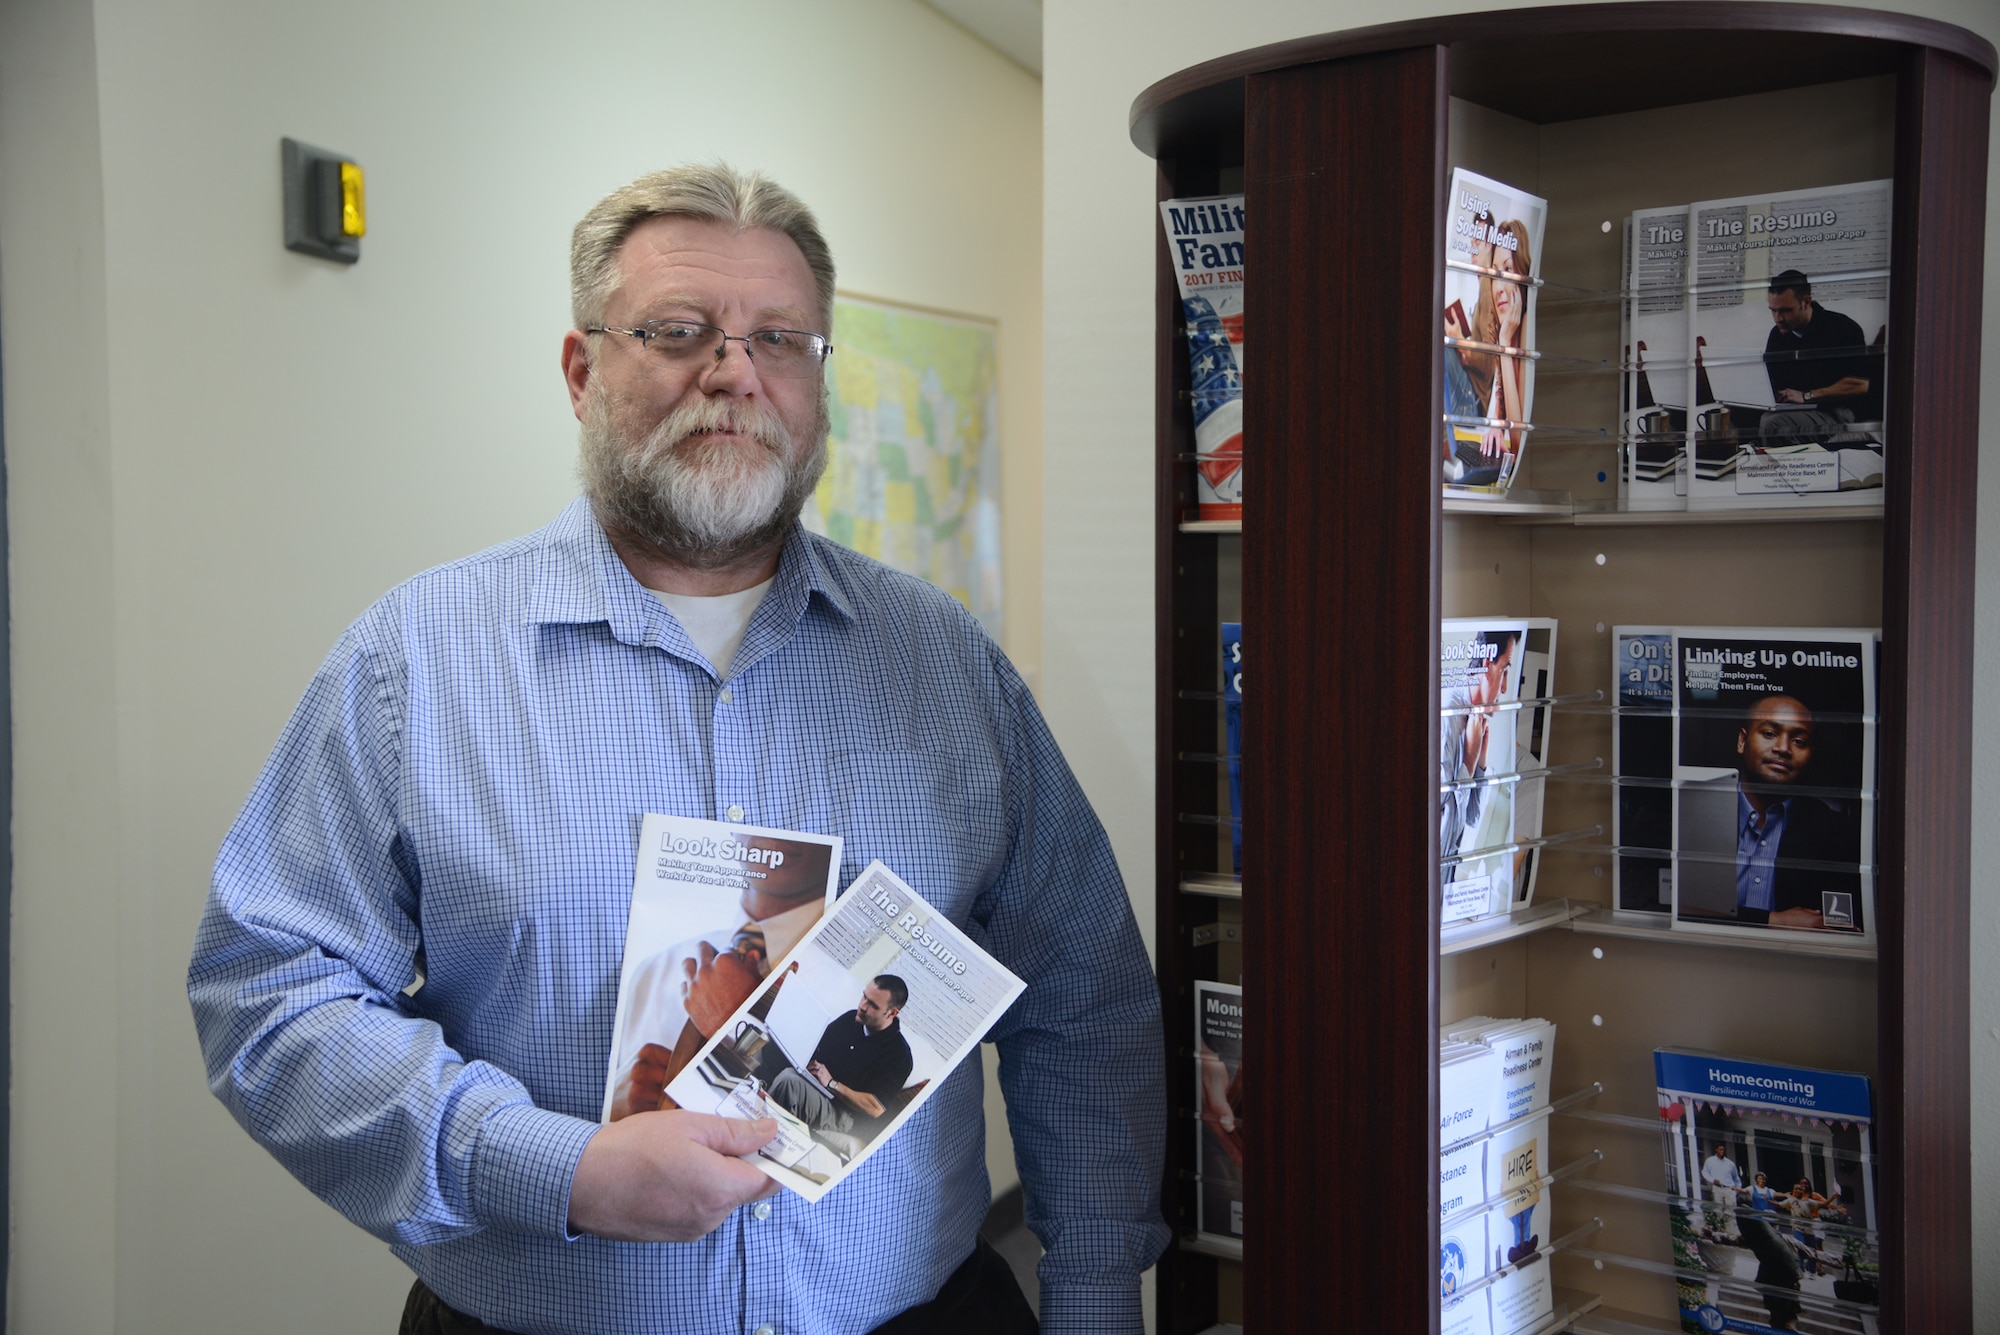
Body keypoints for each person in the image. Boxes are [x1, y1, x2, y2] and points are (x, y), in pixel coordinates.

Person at [188, 163, 1166, 1335]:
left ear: (816, 382)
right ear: (579, 370)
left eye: (779, 340)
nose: (732, 373)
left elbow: (1083, 1001)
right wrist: (552, 1169)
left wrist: (1099, 1293)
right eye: (677, 331)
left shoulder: (947, 666)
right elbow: (271, 993)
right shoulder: (414, 665)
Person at [607, 833, 834, 1121]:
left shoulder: (848, 992)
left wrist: (734, 1020)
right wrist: (617, 1112)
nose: (773, 833)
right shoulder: (654, 971)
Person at [1675, 693, 1863, 931]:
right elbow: (1667, 903)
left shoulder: (1834, 831)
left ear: (1810, 754)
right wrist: (1772, 920)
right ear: (1742, 741)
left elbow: (1840, 923)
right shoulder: (1692, 811)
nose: (1783, 748)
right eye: (1769, 734)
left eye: (1799, 741)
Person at [767, 976, 915, 1142]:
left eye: (873, 1005)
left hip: (843, 1115)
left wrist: (832, 1084)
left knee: (790, 1081)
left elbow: (875, 1108)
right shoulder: (850, 1019)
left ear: (892, 1013)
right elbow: (816, 1048)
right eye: (864, 996)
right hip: (817, 1089)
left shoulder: (899, 1055)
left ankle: (763, 1134)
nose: (862, 1006)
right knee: (768, 1050)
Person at [1439, 629, 1520, 881]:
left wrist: (1479, 766)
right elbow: (1438, 826)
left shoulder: (1475, 722)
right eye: (1504, 670)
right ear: (1487, 664)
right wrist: (1468, 762)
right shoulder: (1446, 719)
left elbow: (1471, 818)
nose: (1505, 688)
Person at [1761, 269, 1883, 425]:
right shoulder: (1777, 335)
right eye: (1773, 310)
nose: (1778, 319)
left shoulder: (1842, 328)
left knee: (1772, 422)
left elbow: (1860, 384)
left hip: (1834, 410)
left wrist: (1806, 396)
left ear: (1806, 302)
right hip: (1790, 408)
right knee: (1734, 416)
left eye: (1786, 310)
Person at [1699, 1142, 1744, 1240]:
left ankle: (1733, 1233)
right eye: (1720, 1149)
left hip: (1728, 1188)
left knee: (1730, 1211)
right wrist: (1712, 1180)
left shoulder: (1730, 1164)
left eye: (1723, 1150)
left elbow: (1736, 1178)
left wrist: (1736, 1190)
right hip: (1717, 1188)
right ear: (1716, 1150)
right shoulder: (1710, 1161)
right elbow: (1705, 1172)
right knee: (1718, 1210)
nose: (1722, 1151)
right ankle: (1721, 1232)